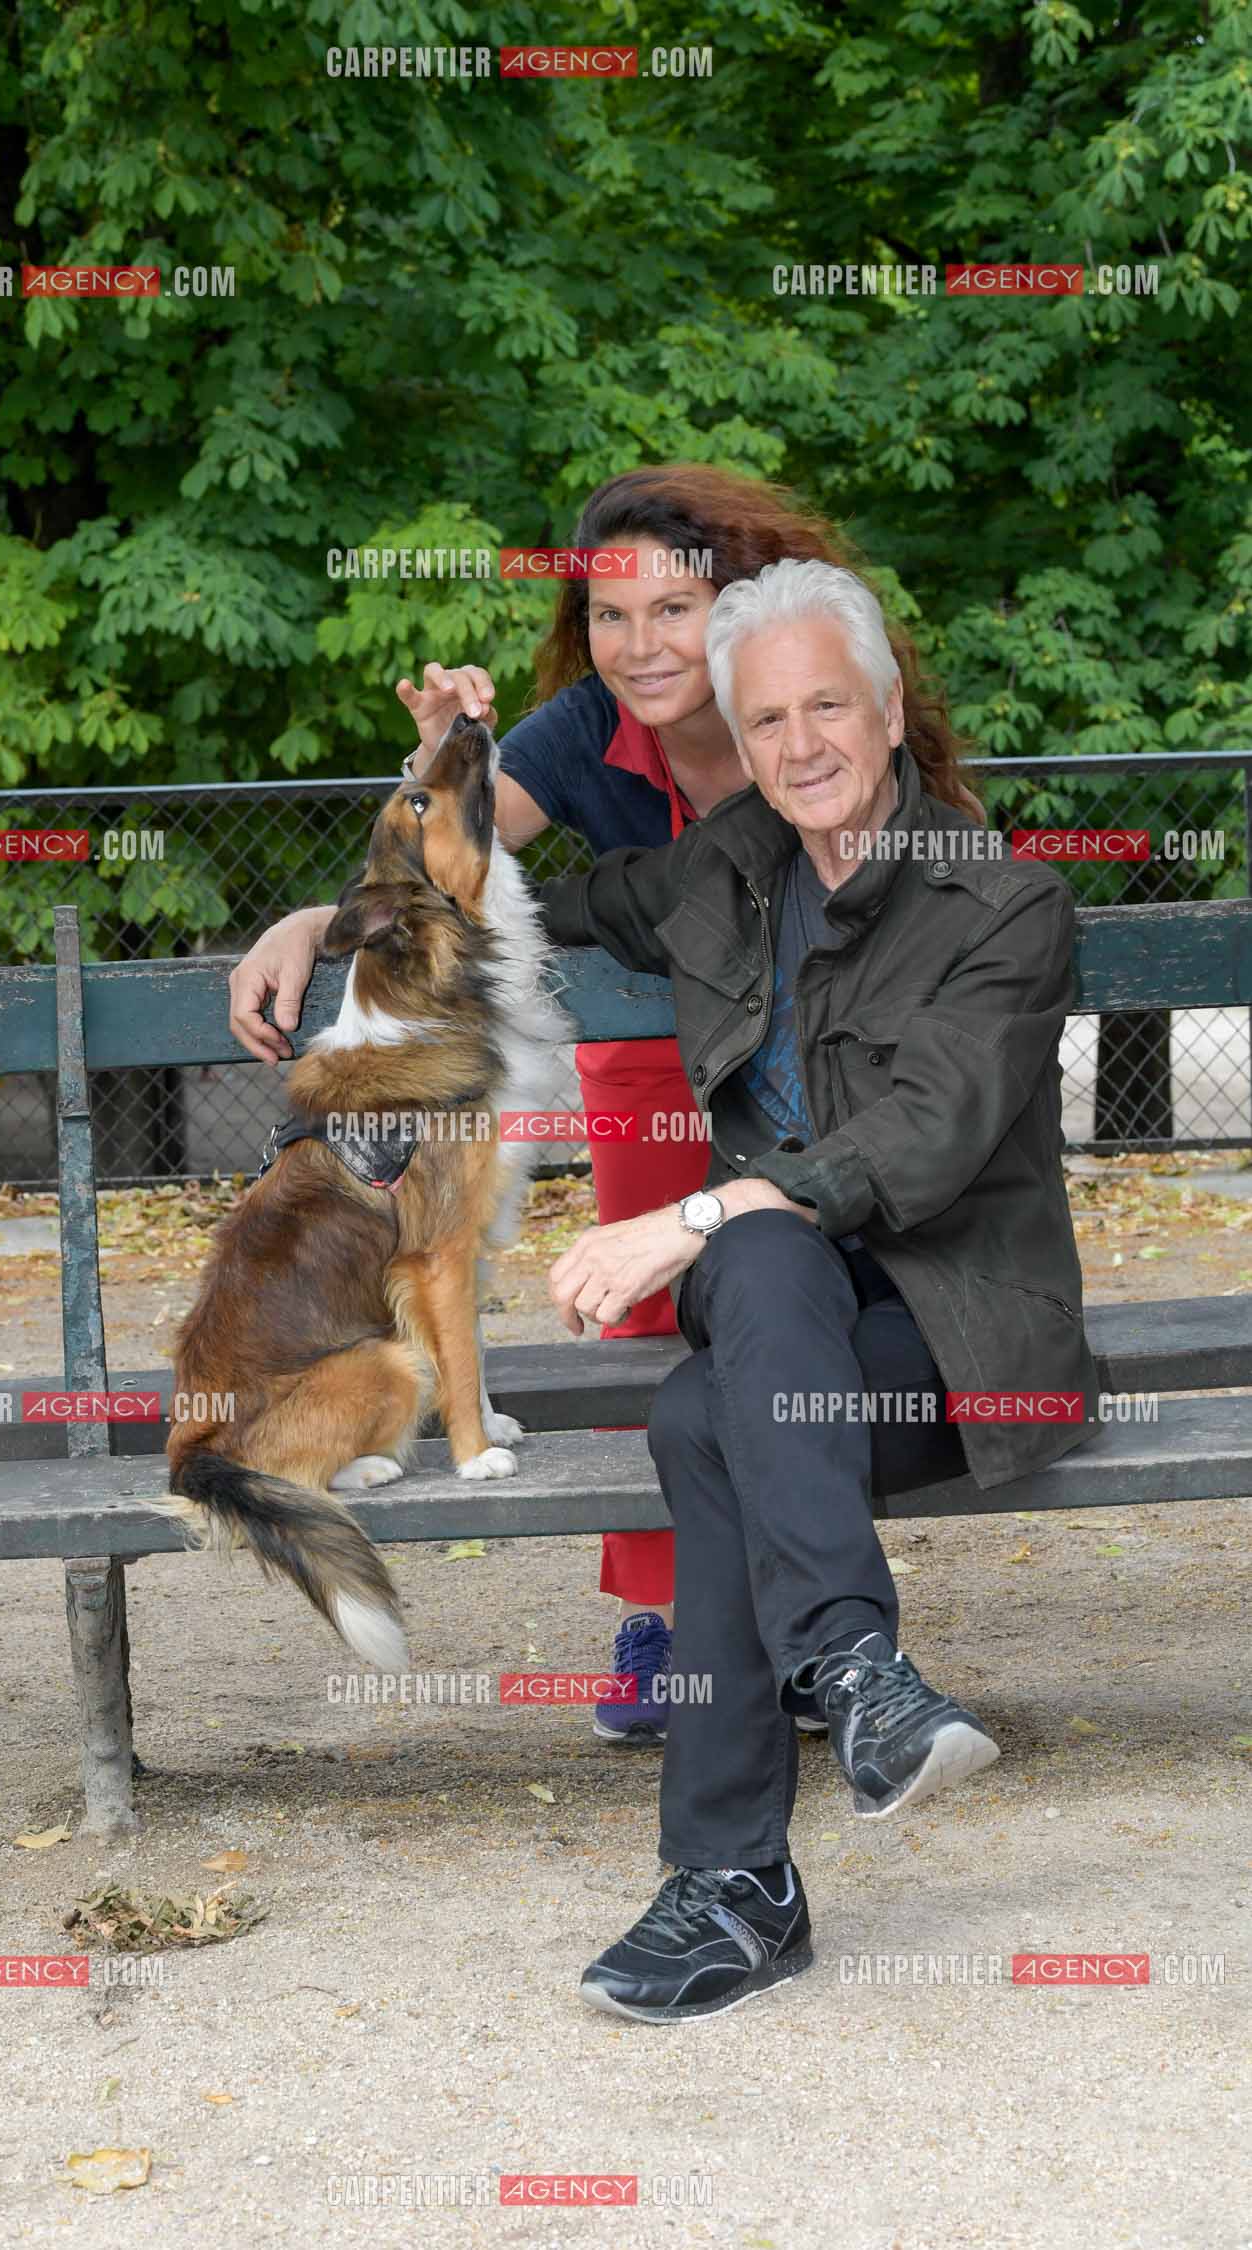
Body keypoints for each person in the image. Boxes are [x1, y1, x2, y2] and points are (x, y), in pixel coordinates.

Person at [228, 465, 980, 1743]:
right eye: (611, 616)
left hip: (838, 1065)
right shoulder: (583, 730)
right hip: (660, 1054)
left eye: (674, 611)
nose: (640, 645)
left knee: (818, 1309)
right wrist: (312, 918)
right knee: (653, 1321)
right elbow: (449, 865)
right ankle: (668, 1616)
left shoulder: (801, 710)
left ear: (735, 608)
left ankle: (814, 1624)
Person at [532, 558, 1102, 2021]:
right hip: (782, 1309)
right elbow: (544, 905)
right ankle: (860, 1674)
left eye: (827, 706)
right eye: (766, 716)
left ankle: (737, 1884)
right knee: (768, 1260)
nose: (800, 745)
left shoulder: (1006, 900)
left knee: (701, 1419)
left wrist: (694, 1210)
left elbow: (921, 1138)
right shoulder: (727, 866)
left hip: (958, 1344)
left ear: (891, 706)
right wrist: (321, 921)